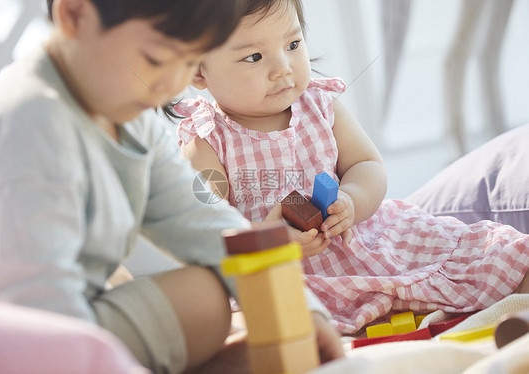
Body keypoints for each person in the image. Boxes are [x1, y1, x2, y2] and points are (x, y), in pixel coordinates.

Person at [0, 0, 344, 373]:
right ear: (75, 15)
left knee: (209, 291)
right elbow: (36, 307)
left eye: (187, 62)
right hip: (8, 336)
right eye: (155, 59)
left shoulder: (127, 112)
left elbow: (205, 221)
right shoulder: (30, 124)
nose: (171, 86)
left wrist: (300, 309)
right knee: (201, 301)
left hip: (67, 312)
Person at [175, 0, 529, 334]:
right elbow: (204, 234)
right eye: (254, 56)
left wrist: (351, 200)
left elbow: (367, 165)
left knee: (486, 256)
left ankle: (511, 308)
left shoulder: (320, 105)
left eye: (293, 44)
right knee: (271, 329)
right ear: (197, 71)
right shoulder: (207, 141)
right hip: (291, 272)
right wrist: (268, 237)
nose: (283, 67)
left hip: (366, 238)